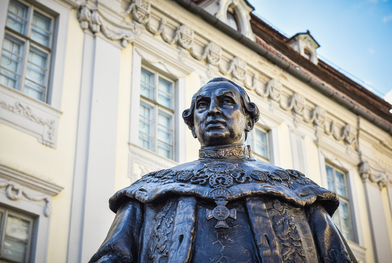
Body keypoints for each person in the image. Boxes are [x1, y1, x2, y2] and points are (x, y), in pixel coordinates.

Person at [90, 78, 357, 263]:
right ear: (192, 124)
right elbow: (112, 256)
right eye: (202, 105)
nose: (213, 110)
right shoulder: (148, 191)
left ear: (249, 119)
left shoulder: (295, 190)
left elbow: (337, 257)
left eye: (227, 102)